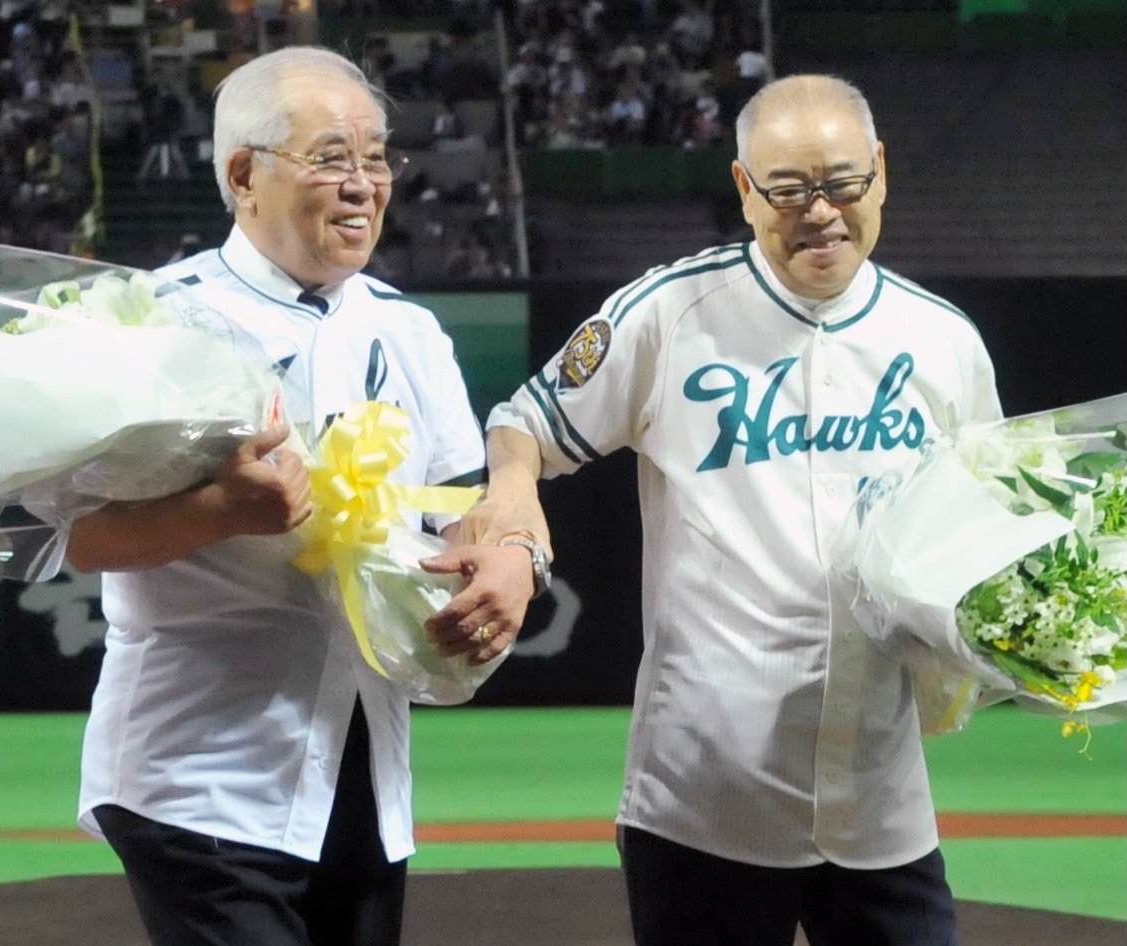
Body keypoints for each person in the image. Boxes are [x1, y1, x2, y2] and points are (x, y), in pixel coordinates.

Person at [428, 74, 1002, 945]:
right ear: (742, 188)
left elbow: (985, 527)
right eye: (787, 188)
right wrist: (511, 504)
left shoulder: (944, 341)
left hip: (878, 795)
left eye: (843, 182)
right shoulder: (670, 313)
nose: (819, 212)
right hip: (704, 798)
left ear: (881, 172)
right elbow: (524, 424)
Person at [68, 47, 536, 946]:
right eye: (331, 157)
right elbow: (79, 536)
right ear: (244, 175)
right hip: (201, 771)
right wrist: (219, 513)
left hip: (365, 771)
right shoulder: (158, 322)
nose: (364, 183)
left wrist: (507, 562)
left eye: (376, 158)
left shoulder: (409, 330)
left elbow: (461, 512)